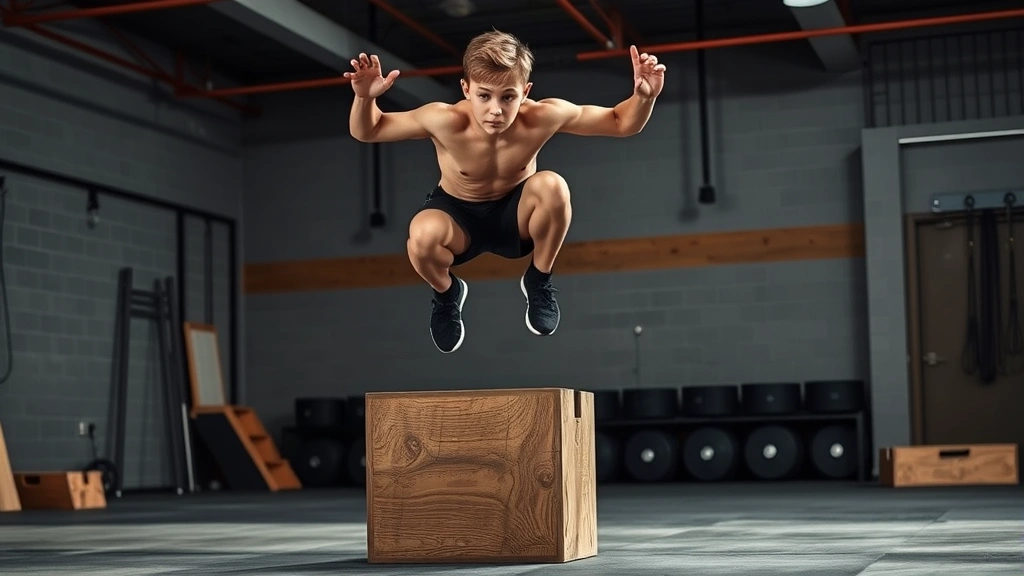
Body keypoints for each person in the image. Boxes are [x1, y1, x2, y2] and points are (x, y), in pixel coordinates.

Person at [346, 30, 666, 353]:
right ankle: (446, 294)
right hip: (459, 219)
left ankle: (539, 279)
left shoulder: (542, 116)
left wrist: (645, 97)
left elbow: (620, 122)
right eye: (484, 96)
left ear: (525, 92)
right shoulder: (443, 120)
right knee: (421, 235)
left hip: (517, 217)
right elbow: (369, 129)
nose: (495, 110)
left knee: (553, 186)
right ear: (466, 89)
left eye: (508, 97)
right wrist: (364, 98)